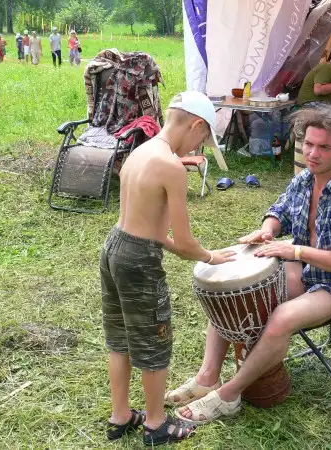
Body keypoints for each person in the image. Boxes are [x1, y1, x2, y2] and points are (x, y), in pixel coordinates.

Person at [166, 105, 331, 425]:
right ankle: (207, 377)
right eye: (309, 144)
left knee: (281, 318)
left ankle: (229, 395)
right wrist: (268, 229)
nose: (313, 153)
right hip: (308, 272)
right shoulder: (305, 180)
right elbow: (278, 212)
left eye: (324, 147)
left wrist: (297, 251)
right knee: (234, 294)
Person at [100, 91, 236, 444]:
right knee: (154, 342)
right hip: (139, 262)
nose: (198, 147)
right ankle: (156, 424)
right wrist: (210, 256)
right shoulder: (172, 168)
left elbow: (157, 233)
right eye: (202, 140)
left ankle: (120, 416)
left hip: (114, 248)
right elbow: (185, 243)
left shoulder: (139, 152)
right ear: (196, 125)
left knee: (120, 338)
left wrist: (199, 253)